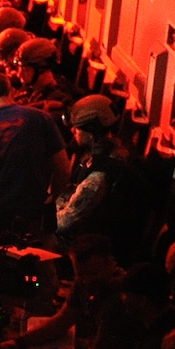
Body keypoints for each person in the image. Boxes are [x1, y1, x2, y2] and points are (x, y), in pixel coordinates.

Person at [3, 234, 123, 349]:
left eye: (93, 274)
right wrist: (18, 342)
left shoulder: (118, 299)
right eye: (80, 275)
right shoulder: (84, 283)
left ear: (110, 263)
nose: (86, 280)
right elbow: (62, 320)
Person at [0, 73, 71, 243]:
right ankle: (49, 268)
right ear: (12, 92)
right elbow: (63, 169)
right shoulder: (40, 118)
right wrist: (52, 197)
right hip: (36, 212)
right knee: (46, 256)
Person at [55, 94, 147, 262]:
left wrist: (38, 221)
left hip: (96, 253)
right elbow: (69, 193)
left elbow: (67, 220)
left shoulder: (101, 173)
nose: (72, 131)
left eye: (78, 128)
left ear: (91, 133)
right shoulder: (100, 157)